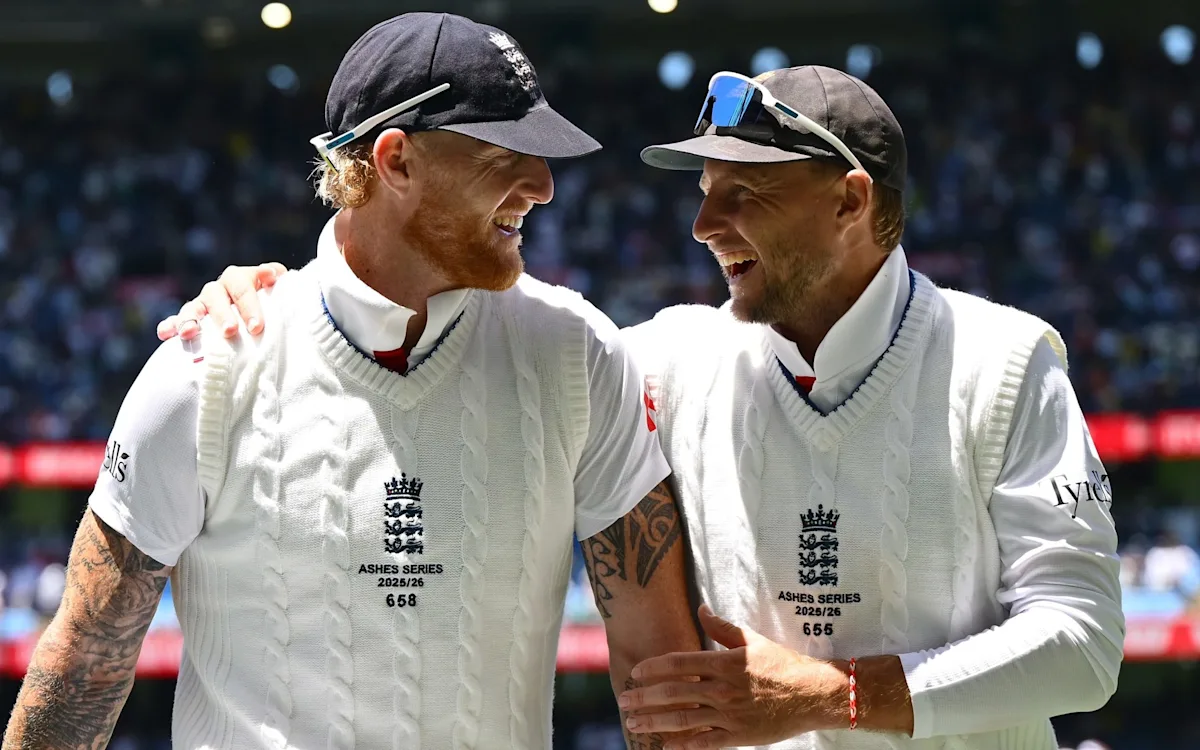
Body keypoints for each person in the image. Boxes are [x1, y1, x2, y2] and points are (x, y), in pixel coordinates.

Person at [159, 65, 1125, 750]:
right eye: (705, 193)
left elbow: (1083, 649)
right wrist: (280, 295)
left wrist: (836, 696)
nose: (705, 225)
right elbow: (421, 316)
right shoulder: (658, 360)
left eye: (744, 193)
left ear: (851, 200)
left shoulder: (1008, 361)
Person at [2, 13, 701, 750]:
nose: (546, 186)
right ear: (397, 161)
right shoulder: (207, 368)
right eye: (508, 152)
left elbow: (663, 674)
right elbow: (84, 667)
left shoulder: (579, 352)